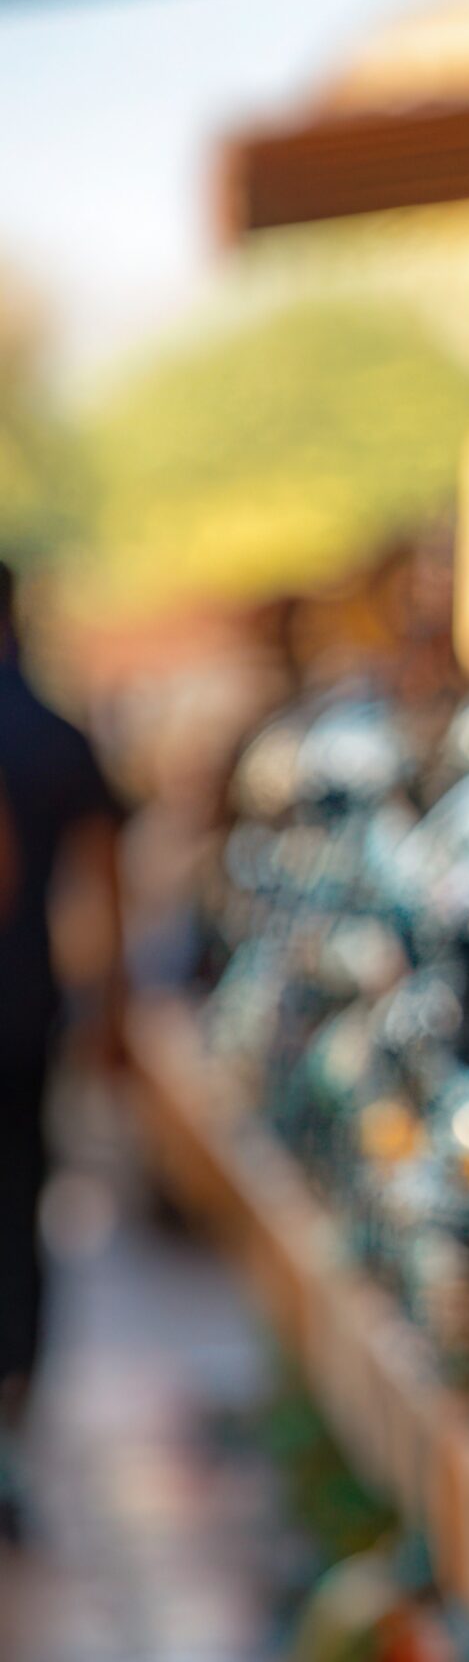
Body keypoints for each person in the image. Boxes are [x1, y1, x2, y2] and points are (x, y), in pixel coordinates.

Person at [0, 559, 123, 1534]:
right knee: (17, 1212)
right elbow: (101, 886)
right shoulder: (54, 732)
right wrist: (107, 1003)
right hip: (24, 1011)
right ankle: (11, 1423)